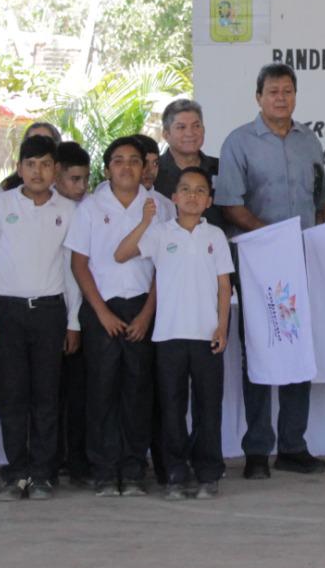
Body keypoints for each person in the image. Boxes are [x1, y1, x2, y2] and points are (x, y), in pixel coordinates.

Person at [214, 62, 325, 479]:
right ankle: (258, 449)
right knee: (260, 351)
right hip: (260, 262)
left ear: (295, 96)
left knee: (298, 349)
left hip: (301, 260)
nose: (281, 97)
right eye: (273, 91)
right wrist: (273, 236)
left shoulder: (309, 141)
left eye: (288, 91)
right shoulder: (239, 142)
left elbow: (318, 199)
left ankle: (293, 446)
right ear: (258, 97)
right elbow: (230, 204)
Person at [115, 165, 233, 499]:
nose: (192, 196)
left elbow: (224, 286)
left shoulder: (215, 236)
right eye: (186, 190)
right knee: (171, 408)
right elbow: (121, 254)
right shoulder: (161, 233)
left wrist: (222, 326)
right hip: (168, 337)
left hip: (207, 335)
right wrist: (144, 221)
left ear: (208, 200)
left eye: (200, 191)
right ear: (174, 197)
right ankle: (176, 474)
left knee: (208, 408)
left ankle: (209, 472)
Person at [0, 135, 81, 501]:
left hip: (51, 312)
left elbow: (72, 270)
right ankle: (15, 472)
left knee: (47, 397)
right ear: (20, 169)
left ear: (56, 170)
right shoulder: (2, 205)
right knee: (13, 395)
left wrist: (74, 322)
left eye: (46, 164)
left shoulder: (67, 210)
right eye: (31, 164)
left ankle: (42, 473)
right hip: (7, 312)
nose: (38, 172)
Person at [66, 137, 165, 496]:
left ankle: (134, 469)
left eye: (134, 161)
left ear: (145, 168)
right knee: (102, 391)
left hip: (142, 308)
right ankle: (105, 470)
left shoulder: (157, 208)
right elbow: (79, 265)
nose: (126, 167)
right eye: (118, 161)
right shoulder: (90, 208)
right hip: (101, 310)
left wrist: (146, 314)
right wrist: (102, 313)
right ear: (107, 169)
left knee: (138, 391)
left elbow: (161, 269)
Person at [52, 139, 92, 481]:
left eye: (85, 179)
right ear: (55, 176)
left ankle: (78, 460)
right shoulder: (45, 210)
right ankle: (51, 459)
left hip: (81, 314)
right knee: (50, 393)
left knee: (80, 393)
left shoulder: (90, 211)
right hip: (50, 311)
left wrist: (76, 320)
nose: (81, 188)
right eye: (73, 180)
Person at [155, 99, 221, 219]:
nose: (190, 133)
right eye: (181, 127)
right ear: (165, 134)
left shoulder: (221, 168)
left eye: (196, 126)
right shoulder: (153, 172)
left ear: (203, 129)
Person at [0, 122, 62, 189]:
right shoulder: (9, 186)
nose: (40, 145)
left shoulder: (68, 185)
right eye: (34, 140)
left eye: (46, 140)